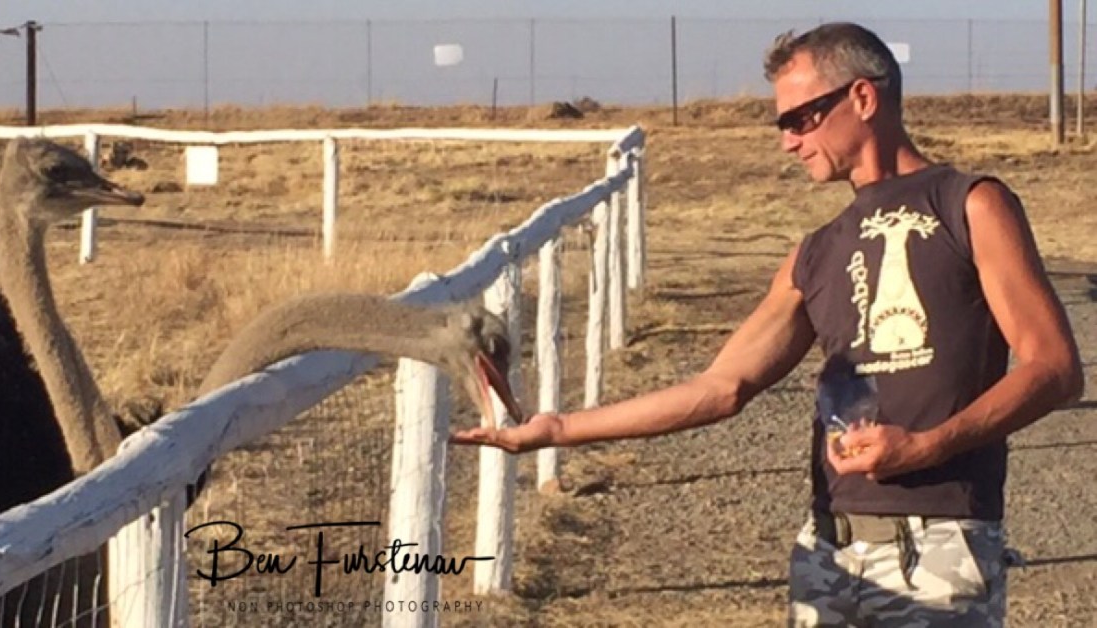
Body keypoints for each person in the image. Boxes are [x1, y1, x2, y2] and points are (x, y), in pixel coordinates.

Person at [450, 21, 1084, 627]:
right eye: (782, 123)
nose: (788, 140)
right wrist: (557, 429)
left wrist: (927, 446)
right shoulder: (816, 252)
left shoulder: (970, 203)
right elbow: (720, 386)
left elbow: (1054, 368)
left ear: (863, 97)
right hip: (827, 549)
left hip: (940, 549)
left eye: (800, 118)